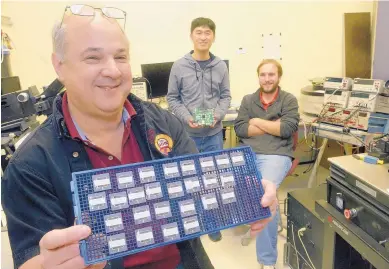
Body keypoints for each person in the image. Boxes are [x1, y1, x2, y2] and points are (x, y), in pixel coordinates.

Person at [1, 6, 277, 269]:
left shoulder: (163, 124)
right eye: (93, 57)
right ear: (59, 66)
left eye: (120, 57)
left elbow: (202, 189)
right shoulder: (30, 165)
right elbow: (31, 258)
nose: (113, 70)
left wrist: (251, 192)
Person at [167, 17, 231, 242]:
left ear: (213, 36)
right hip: (188, 136)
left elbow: (225, 96)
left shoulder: (220, 65)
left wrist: (217, 115)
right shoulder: (179, 66)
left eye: (207, 33)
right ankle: (192, 224)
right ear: (191, 35)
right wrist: (186, 117)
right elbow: (172, 98)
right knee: (189, 182)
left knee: (212, 181)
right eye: (199, 32)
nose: (203, 37)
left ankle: (212, 223)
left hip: (213, 135)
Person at [234, 59, 299, 269]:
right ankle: (268, 222)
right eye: (263, 74)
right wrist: (273, 125)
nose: (267, 79)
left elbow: (287, 129)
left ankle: (267, 261)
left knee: (264, 200)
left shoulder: (289, 99)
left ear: (278, 76)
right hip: (249, 153)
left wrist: (257, 122)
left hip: (277, 154)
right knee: (236, 186)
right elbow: (241, 129)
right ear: (258, 76)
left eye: (271, 74)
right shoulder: (248, 100)